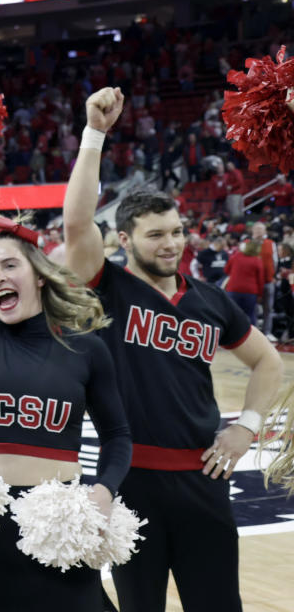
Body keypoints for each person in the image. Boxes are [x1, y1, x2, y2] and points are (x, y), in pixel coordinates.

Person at [62, 87, 283, 612]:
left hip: (203, 478)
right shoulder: (107, 284)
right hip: (132, 481)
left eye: (178, 231)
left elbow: (268, 360)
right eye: (156, 234)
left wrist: (246, 426)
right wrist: (94, 134)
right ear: (124, 241)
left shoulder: (212, 301)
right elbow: (75, 224)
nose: (171, 243)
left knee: (218, 603)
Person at [0, 149, 132, 611]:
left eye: (9, 266)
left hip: (58, 528)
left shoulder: (86, 348)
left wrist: (104, 489)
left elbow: (119, 436)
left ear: (38, 275)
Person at [224, 240, 266, 326]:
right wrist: (260, 295)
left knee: (231, 315)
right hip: (250, 292)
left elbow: (226, 270)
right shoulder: (257, 261)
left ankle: (230, 336)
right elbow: (261, 280)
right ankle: (251, 337)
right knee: (250, 315)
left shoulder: (236, 256)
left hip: (233, 289)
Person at [250, 222, 278, 341]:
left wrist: (273, 275)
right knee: (253, 308)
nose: (259, 232)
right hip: (252, 282)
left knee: (268, 308)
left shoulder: (271, 244)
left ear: (265, 231)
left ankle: (267, 332)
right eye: (256, 229)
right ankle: (254, 333)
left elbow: (275, 261)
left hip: (268, 281)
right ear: (252, 231)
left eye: (261, 229)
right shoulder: (247, 244)